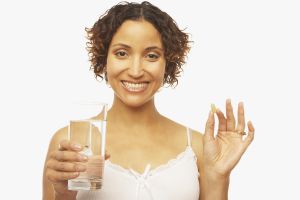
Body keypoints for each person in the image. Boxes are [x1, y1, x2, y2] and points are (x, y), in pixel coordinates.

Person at [43, 1, 255, 200]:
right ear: (103, 59)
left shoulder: (198, 147)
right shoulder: (70, 143)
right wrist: (63, 195)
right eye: (122, 53)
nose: (135, 71)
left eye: (151, 56)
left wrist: (219, 177)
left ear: (168, 63)